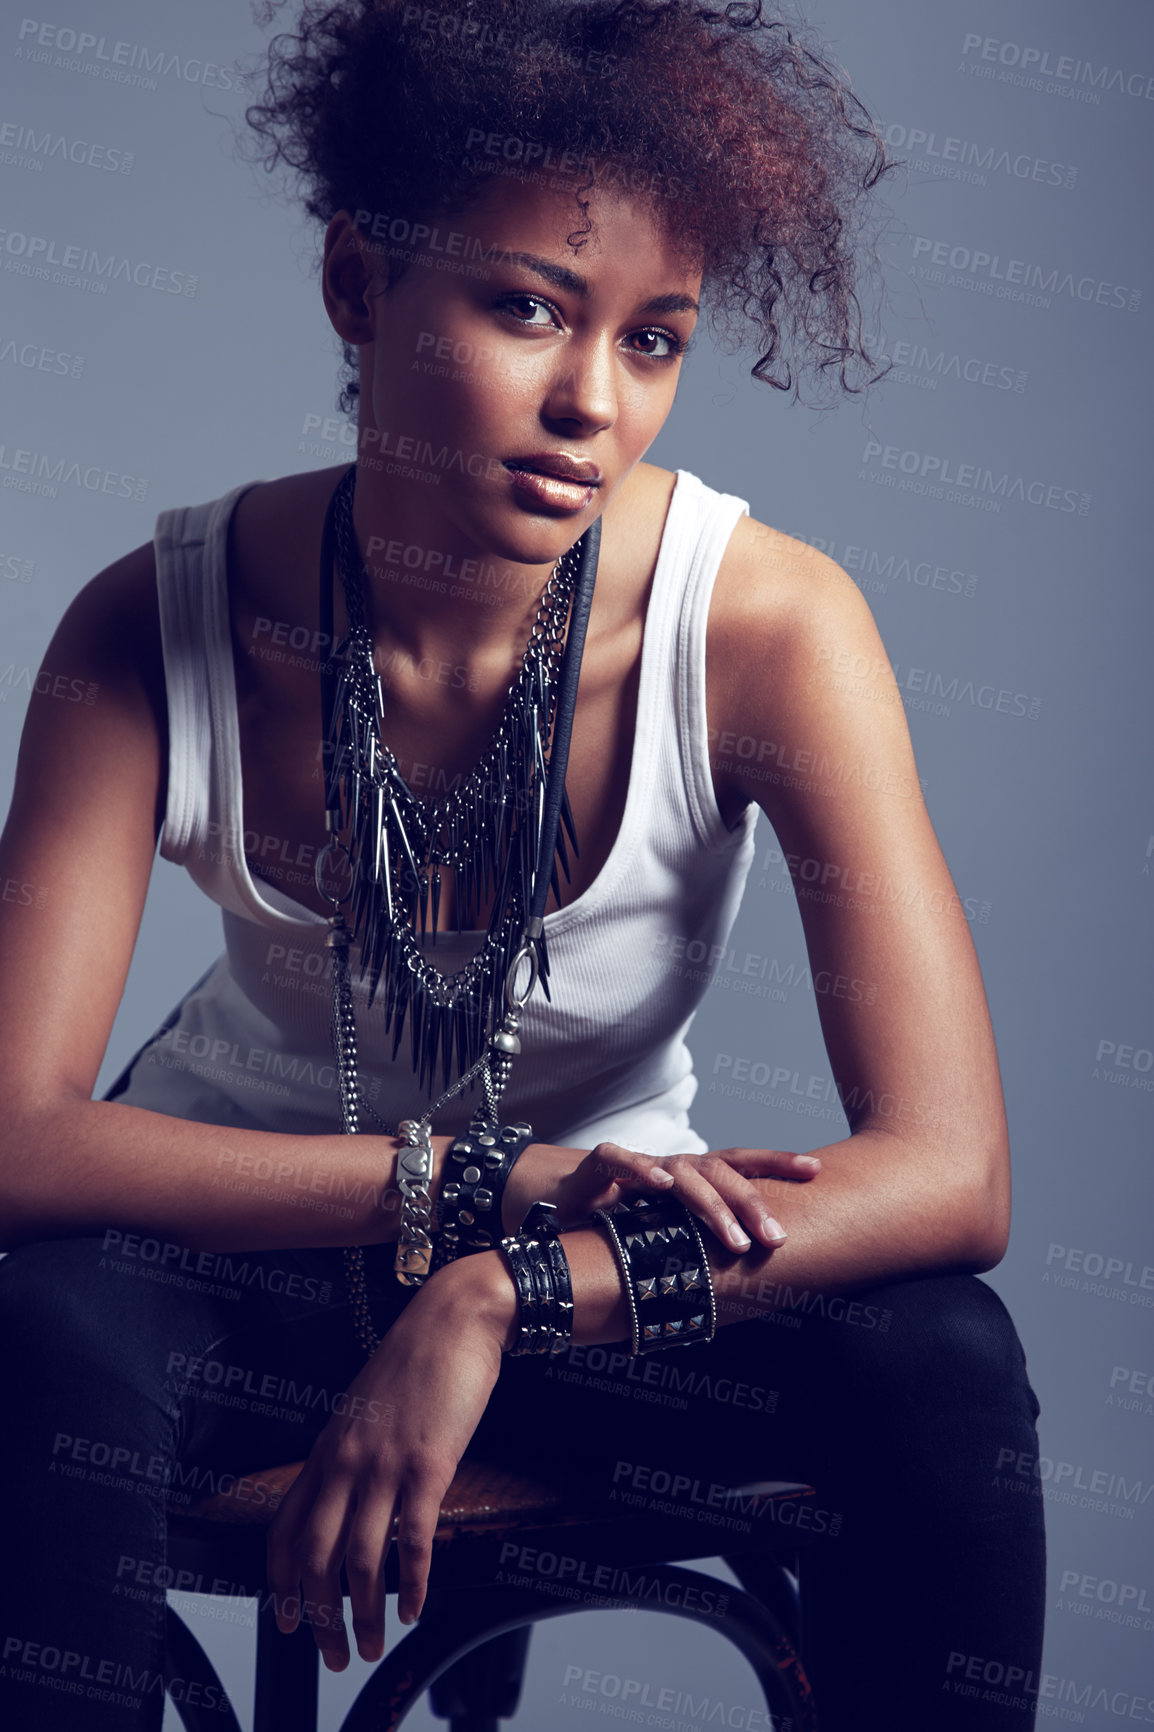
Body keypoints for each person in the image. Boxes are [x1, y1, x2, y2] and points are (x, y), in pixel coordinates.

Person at [0, 1, 1046, 1727]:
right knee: (41, 1346)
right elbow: (22, 1139)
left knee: (937, 1358)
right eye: (526, 308)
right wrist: (471, 1183)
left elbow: (950, 1176)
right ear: (358, 287)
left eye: (654, 341)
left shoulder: (767, 623)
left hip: (591, 1282)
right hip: (241, 1266)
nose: (591, 403)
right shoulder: (155, 618)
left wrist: (506, 1279)